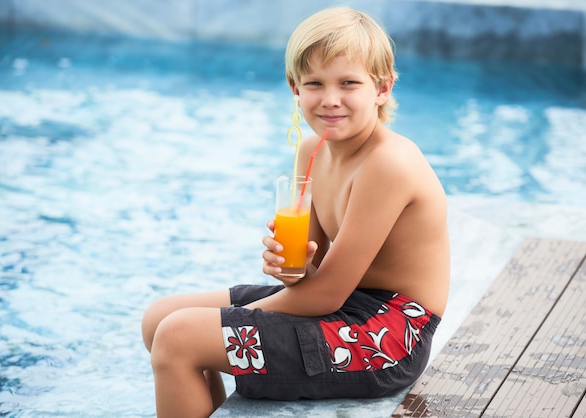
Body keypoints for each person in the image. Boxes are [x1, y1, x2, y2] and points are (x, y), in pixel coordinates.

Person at [141, 6, 450, 418]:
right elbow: (313, 272)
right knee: (160, 318)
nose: (330, 99)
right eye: (315, 84)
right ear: (295, 89)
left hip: (388, 337)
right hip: (344, 305)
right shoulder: (313, 150)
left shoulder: (388, 163)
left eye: (348, 83)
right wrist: (291, 269)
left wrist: (233, 317)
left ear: (382, 89)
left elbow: (325, 294)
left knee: (179, 335)